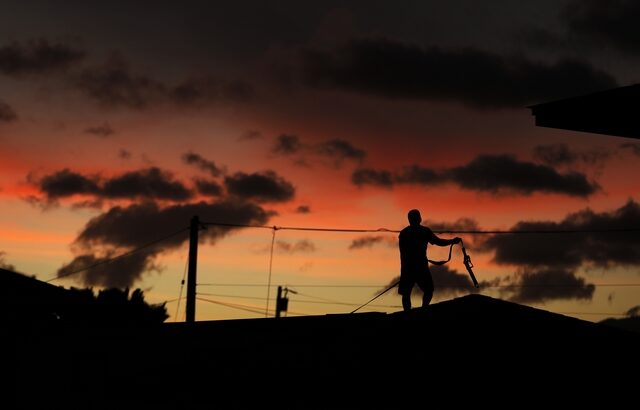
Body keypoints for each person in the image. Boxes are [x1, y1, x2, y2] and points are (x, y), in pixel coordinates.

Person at [398, 209, 461, 311]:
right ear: (419, 219)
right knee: (426, 290)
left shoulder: (405, 233)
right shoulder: (422, 231)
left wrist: (451, 241)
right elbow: (438, 242)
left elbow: (403, 254)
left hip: (408, 268)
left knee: (409, 292)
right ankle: (422, 309)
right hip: (417, 267)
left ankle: (409, 312)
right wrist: (452, 241)